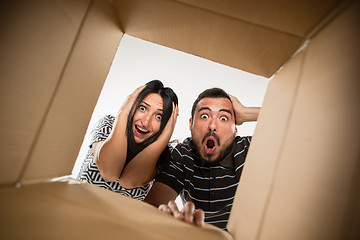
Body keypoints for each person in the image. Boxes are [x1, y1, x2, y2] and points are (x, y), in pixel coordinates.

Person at [144, 88, 260, 230]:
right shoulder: (183, 155)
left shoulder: (250, 149)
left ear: (235, 130)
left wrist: (246, 113)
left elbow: (294, 122)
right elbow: (151, 208)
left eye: (223, 118)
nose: (212, 126)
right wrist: (164, 219)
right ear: (190, 124)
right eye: (205, 116)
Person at [77, 80, 178, 200]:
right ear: (132, 105)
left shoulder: (165, 153)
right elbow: (110, 172)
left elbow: (128, 181)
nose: (146, 122)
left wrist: (165, 137)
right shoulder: (108, 125)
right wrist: (123, 113)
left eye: (159, 117)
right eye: (142, 108)